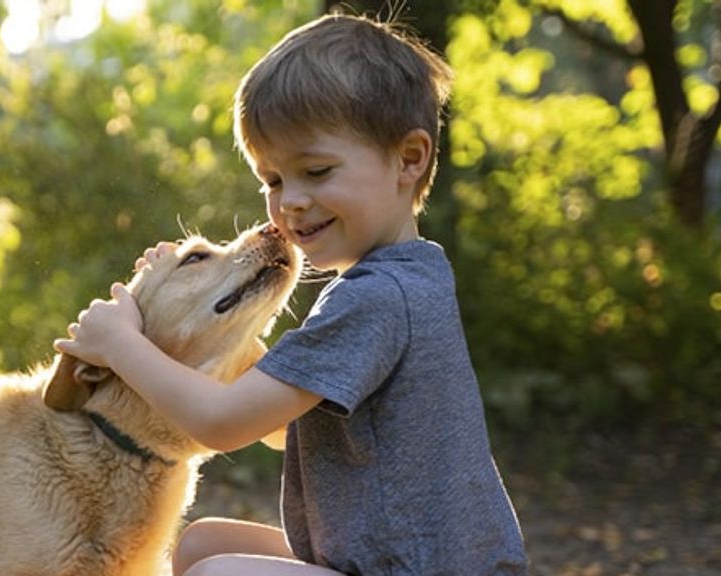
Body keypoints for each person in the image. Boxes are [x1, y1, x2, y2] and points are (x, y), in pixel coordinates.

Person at [54, 13, 529, 576]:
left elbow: (225, 424)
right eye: (273, 180)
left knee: (216, 575)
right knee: (200, 544)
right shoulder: (411, 277)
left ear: (409, 159)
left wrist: (121, 345)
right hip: (408, 558)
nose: (292, 202)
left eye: (317, 171)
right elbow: (283, 429)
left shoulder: (375, 299)